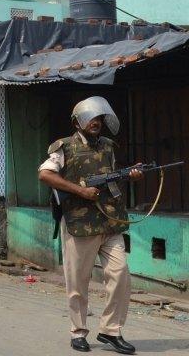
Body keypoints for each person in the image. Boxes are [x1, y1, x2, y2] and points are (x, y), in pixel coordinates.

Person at [38, 96, 142, 355]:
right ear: (77, 122)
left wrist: (130, 174)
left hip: (109, 221)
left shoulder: (108, 146)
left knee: (120, 275)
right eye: (90, 118)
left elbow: (112, 179)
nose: (96, 123)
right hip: (80, 223)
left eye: (99, 118)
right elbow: (45, 174)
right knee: (78, 282)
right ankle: (78, 331)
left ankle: (110, 331)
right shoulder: (64, 147)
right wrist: (80, 191)